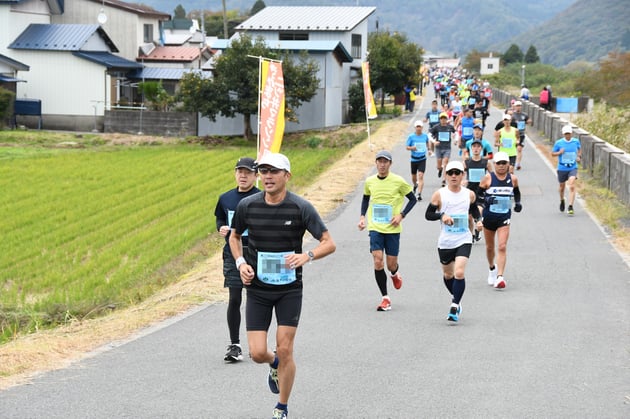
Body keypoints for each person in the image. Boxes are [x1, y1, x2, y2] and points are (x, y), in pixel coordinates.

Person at [229, 152, 336, 419]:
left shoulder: (300, 207)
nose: (267, 176)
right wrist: (241, 263)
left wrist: (306, 256)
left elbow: (328, 242)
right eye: (263, 171)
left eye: (273, 172)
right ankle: (273, 363)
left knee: (286, 347)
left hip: (289, 289)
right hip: (258, 289)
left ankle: (282, 406)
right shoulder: (248, 205)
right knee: (256, 353)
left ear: (286, 176)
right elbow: (233, 237)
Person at [358, 150, 417, 311]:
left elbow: (413, 199)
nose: (382, 164)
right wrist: (362, 217)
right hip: (375, 227)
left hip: (392, 228)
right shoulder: (370, 181)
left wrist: (401, 215)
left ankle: (394, 273)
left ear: (390, 164)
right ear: (376, 163)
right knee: (378, 261)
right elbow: (365, 198)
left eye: (385, 162)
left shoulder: (398, 181)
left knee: (391, 264)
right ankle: (385, 298)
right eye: (379, 161)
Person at [214, 157, 260, 362]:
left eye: (248, 172)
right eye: (239, 172)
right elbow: (220, 218)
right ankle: (235, 344)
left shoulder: (262, 197)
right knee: (234, 298)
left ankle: (259, 344)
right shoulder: (225, 198)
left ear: (255, 176)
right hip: (233, 252)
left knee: (258, 298)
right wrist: (221, 228)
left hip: (258, 251)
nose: (243, 176)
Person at [425, 160, 482, 322]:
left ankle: (455, 305)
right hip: (445, 241)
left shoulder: (469, 194)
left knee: (459, 272)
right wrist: (442, 216)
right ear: (446, 176)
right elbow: (428, 215)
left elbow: (473, 209)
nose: (454, 176)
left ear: (463, 175)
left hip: (464, 238)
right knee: (448, 274)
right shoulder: (439, 194)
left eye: (457, 173)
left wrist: (478, 220)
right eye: (450, 173)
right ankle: (456, 296)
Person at [476, 151, 522, 289]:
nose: (501, 166)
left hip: (504, 217)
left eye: (504, 163)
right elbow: (478, 198)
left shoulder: (513, 179)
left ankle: (500, 277)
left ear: (508, 165)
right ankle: (492, 268)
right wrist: (480, 216)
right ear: (494, 164)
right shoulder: (487, 179)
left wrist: (518, 203)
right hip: (489, 217)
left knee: (502, 246)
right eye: (499, 163)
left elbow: (517, 193)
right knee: (490, 247)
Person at [463, 138, 492, 242]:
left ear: (481, 149)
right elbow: (462, 175)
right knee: (469, 217)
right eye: (474, 147)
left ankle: (478, 229)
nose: (476, 149)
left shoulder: (486, 162)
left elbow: (491, 175)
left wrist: (489, 184)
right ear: (471, 149)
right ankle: (470, 236)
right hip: (469, 192)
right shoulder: (466, 162)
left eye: (478, 147)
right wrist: (463, 182)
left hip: (480, 192)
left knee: (479, 212)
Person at [552, 125, 581, 216]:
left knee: (572, 185)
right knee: (562, 187)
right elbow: (552, 153)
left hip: (572, 167)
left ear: (571, 133)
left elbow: (579, 149)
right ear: (563, 134)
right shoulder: (559, 143)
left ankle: (570, 206)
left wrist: (578, 156)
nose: (567, 135)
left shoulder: (576, 141)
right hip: (562, 167)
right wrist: (559, 153)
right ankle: (562, 200)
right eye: (566, 134)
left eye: (569, 133)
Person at [405, 120, 432, 201]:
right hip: (414, 159)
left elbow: (427, 142)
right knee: (414, 177)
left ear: (422, 127)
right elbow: (407, 147)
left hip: (422, 159)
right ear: (415, 127)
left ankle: (419, 194)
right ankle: (415, 185)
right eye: (417, 127)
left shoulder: (425, 136)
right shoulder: (411, 137)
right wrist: (412, 148)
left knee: (420, 176)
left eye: (420, 126)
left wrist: (429, 149)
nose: (418, 128)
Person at [429, 112, 456, 186]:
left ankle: (444, 180)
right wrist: (434, 141)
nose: (443, 120)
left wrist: (455, 139)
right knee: (439, 165)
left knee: (445, 164)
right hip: (438, 148)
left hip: (447, 148)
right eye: (442, 118)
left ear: (446, 119)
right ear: (440, 119)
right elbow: (429, 134)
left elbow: (455, 133)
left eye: (444, 118)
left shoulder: (450, 127)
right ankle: (440, 170)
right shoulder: (436, 127)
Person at [511, 101, 531, 170]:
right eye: (517, 106)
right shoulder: (513, 115)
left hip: (521, 134)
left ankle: (518, 163)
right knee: (513, 149)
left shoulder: (524, 115)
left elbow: (529, 121)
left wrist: (528, 122)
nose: (518, 107)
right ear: (515, 107)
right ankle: (512, 162)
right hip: (513, 135)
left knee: (519, 149)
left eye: (519, 106)